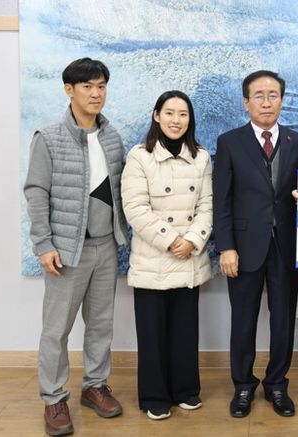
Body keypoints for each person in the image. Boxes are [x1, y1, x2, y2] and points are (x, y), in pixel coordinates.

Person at [24, 57, 128, 436]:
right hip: (67, 251)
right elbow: (36, 191)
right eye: (87, 86)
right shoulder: (48, 137)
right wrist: (43, 244)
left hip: (106, 247)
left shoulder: (113, 137)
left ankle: (95, 386)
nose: (96, 93)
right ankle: (54, 399)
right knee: (56, 330)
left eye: (101, 86)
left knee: (101, 324)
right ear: (69, 90)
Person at [212, 70, 298, 418]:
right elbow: (221, 200)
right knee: (243, 321)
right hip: (242, 247)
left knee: (283, 321)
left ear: (282, 100)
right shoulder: (229, 142)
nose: (266, 102)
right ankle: (243, 385)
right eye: (259, 96)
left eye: (273, 95)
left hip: (286, 246)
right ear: (246, 102)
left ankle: (277, 384)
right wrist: (226, 246)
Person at [121, 91, 213, 420]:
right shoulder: (139, 156)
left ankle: (186, 390)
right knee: (152, 334)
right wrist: (172, 239)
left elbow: (207, 206)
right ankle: (154, 396)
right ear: (157, 115)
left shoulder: (201, 157)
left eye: (183, 114)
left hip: (189, 257)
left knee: (185, 331)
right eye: (170, 113)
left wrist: (192, 240)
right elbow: (135, 207)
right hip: (154, 258)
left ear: (190, 119)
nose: (176, 120)